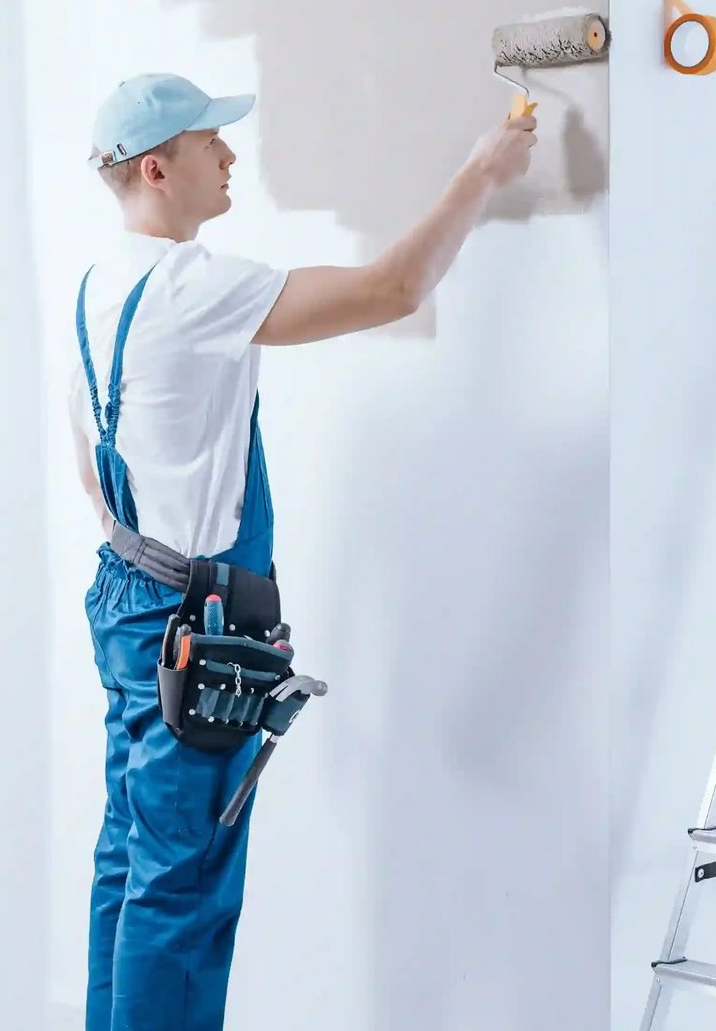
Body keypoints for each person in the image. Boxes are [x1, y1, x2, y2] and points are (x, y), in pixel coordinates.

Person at [69, 72, 536, 1031]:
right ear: (159, 168)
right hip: (185, 628)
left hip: (127, 603)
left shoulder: (95, 289)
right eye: (212, 144)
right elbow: (392, 289)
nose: (231, 157)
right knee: (182, 886)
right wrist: (481, 174)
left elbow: (92, 475)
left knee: (132, 864)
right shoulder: (191, 287)